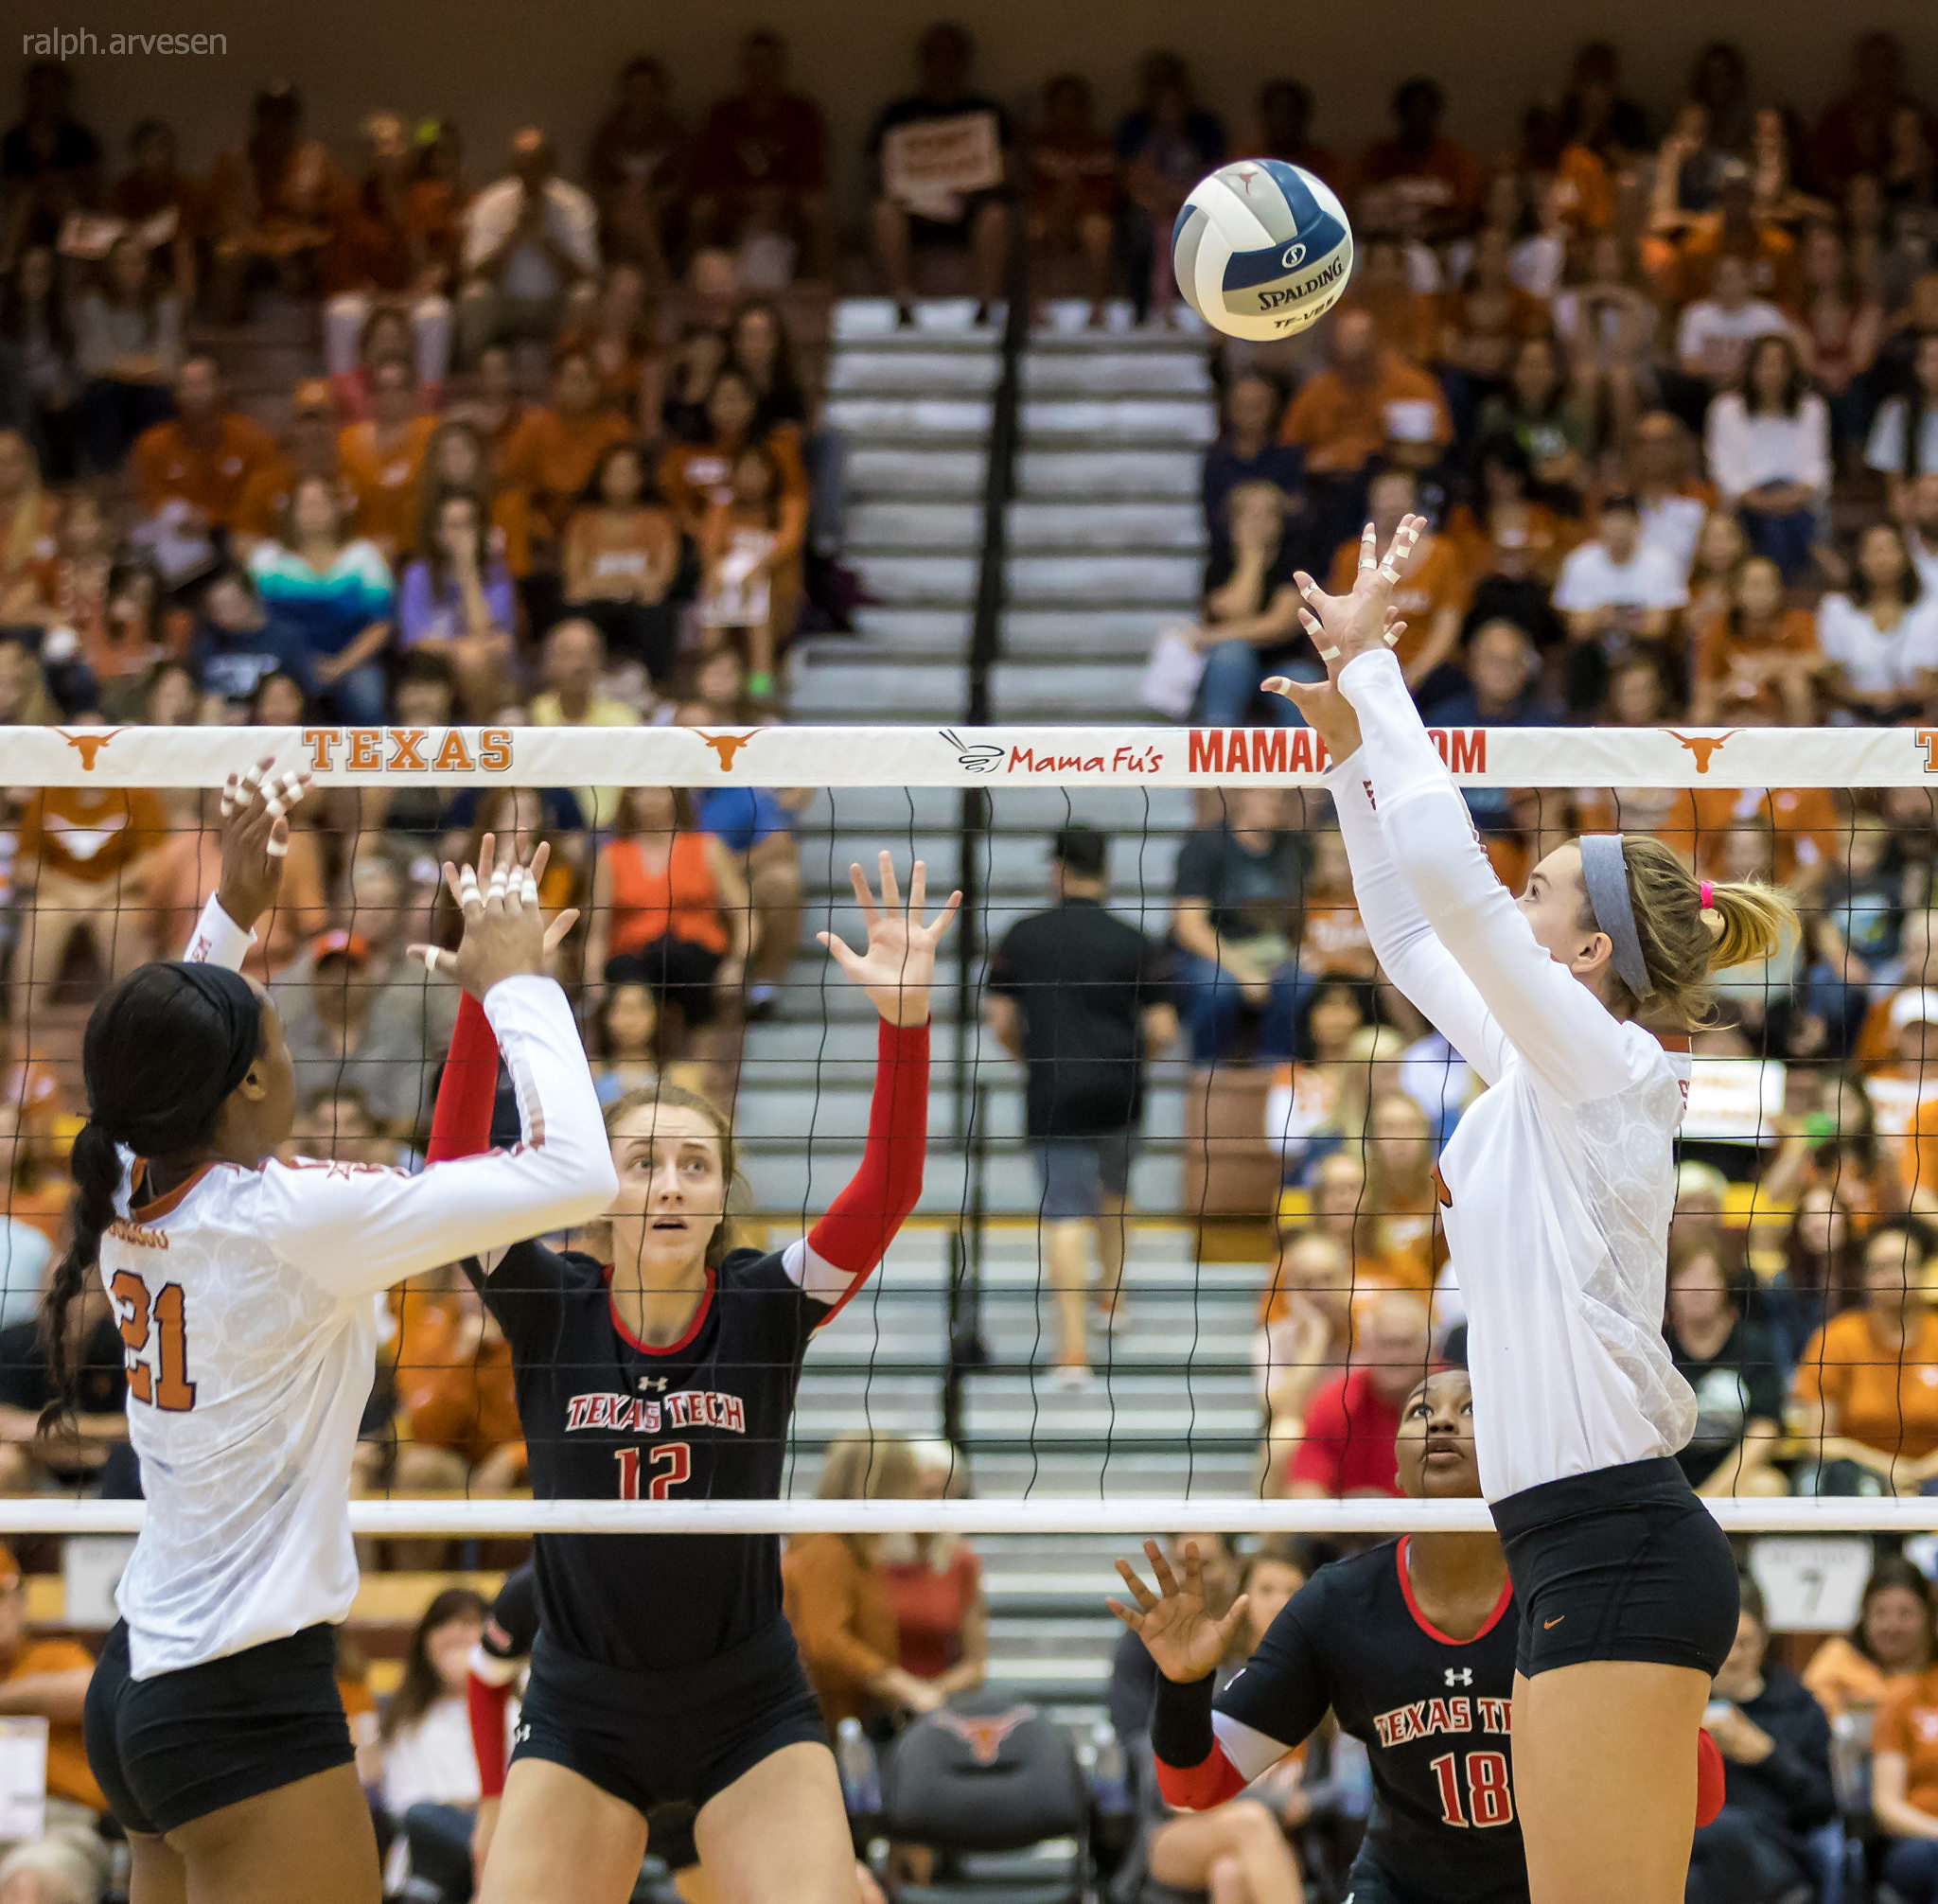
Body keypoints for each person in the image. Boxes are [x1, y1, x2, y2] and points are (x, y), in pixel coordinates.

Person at [1271, 515, 1792, 1904]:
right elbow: (1406, 930)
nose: (1516, 893)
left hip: (1621, 1544)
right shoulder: (1539, 1071)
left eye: (1540, 889)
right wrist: (1344, 757)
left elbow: (1448, 877)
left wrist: (1379, 671)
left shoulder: (1610, 1064)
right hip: (1574, 1547)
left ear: (1588, 951)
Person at [53, 780, 615, 1904]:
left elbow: (156, 1060)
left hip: (142, 1684)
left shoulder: (121, 1172)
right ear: (254, 1077)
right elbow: (576, 1173)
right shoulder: (288, 1219)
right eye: (272, 1030)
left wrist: (233, 907)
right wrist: (518, 985)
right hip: (237, 1702)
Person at [424, 849, 953, 1904]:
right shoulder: (549, 1302)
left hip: (745, 1705)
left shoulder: (764, 1305)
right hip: (582, 1707)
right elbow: (450, 1180)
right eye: (640, 1162)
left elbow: (889, 1186)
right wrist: (486, 1000)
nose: (667, 1184)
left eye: (694, 1164)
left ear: (720, 1198)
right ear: (593, 1186)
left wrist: (903, 1022)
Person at [1115, 1369, 1528, 1904]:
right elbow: (1192, 1788)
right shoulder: (1339, 1604)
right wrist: (1184, 1685)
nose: (1443, 1419)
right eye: (1420, 1412)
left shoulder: (1569, 1589)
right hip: (1400, 1888)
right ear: (1396, 1468)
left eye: (1472, 1409)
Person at [984, 826, 1177, 1383]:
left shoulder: (1023, 936)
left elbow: (999, 1022)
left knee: (1065, 1213)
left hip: (1052, 1090)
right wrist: (1133, 1064)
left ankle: (1073, 1353)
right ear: (1105, 871)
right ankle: (1111, 1303)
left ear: (1056, 869)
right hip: (1122, 1089)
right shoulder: (1135, 940)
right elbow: (1162, 1028)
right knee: (1116, 1194)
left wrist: (1031, 1059)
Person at [1688, 1578, 1836, 1904]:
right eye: (1725, 1643)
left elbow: (1823, 1805)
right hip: (1695, 1844)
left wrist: (1766, 1754)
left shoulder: (1798, 1706)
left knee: (1726, 1837)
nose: (1734, 1656)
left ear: (1764, 1641)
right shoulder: (1680, 1704)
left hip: (1776, 1845)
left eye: (1745, 1643)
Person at [868, 23, 1013, 324]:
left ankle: (985, 306)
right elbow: (878, 171)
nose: (943, 65)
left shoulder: (987, 112)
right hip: (915, 212)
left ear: (964, 62)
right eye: (935, 56)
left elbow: (1006, 170)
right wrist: (920, 194)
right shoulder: (899, 114)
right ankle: (902, 303)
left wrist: (968, 190)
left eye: (952, 57)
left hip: (970, 209)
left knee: (997, 215)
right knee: (883, 212)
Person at [1790, 1218, 1938, 1493]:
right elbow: (1818, 1439)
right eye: (1882, 1268)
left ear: (1923, 1271)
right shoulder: (1836, 1338)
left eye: (1905, 1265)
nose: (1895, 1276)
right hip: (1859, 1474)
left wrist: (1919, 1472)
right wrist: (1889, 1468)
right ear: (1866, 1277)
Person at [1169, 788, 1305, 1066]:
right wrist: (1244, 971)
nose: (1275, 802)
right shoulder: (1205, 846)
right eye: (1267, 794)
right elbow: (1189, 926)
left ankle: (1276, 1069)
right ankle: (1208, 1072)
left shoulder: (1295, 849)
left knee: (1304, 982)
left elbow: (1309, 913)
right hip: (1217, 949)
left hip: (1274, 951)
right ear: (1244, 793)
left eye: (1281, 796)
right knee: (1215, 986)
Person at [245, 474, 394, 726]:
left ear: (338, 510)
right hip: (280, 662)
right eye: (305, 504)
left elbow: (381, 623)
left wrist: (341, 664)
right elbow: (251, 618)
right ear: (290, 512)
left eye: (321, 504)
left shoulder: (363, 558)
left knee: (368, 694)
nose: (313, 511)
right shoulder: (267, 560)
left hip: (350, 661)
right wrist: (296, 663)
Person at [692, 31, 832, 281]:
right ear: (745, 68)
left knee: (817, 208)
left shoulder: (802, 113)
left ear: (781, 67)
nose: (762, 71)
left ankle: (816, 287)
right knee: (701, 209)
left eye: (769, 63)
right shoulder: (724, 114)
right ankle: (702, 281)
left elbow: (812, 175)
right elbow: (710, 174)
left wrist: (779, 196)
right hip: (733, 203)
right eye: (755, 63)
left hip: (788, 203)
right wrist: (744, 198)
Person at [379, 1588, 488, 1893]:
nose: (457, 1633)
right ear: (425, 1641)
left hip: (500, 1839)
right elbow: (403, 1805)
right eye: (444, 1625)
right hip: (429, 1851)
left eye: (468, 1623)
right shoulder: (405, 1718)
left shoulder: (517, 1706)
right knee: (424, 1820)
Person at [456, 126, 597, 360]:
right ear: (511, 166)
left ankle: (575, 374)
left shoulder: (574, 205)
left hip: (554, 304)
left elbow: (588, 275)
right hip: (506, 304)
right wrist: (514, 238)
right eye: (521, 168)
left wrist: (544, 240)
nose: (528, 175)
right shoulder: (491, 203)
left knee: (586, 295)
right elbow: (472, 273)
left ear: (550, 166)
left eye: (535, 167)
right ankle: (476, 371)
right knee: (474, 295)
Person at [1663, 1234, 1786, 1498]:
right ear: (1669, 1287)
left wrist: (1710, 1494)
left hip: (1733, 1476)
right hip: (1667, 1479)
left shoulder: (1753, 1344)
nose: (1697, 1288)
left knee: (1768, 1487)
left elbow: (1765, 1428)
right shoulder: (1654, 1348)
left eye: (1708, 1277)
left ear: (1725, 1286)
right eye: (1687, 1276)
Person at [1279, 1293, 1432, 1499]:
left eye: (1405, 1344)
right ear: (1367, 1347)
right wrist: (1351, 1513)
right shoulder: (1338, 1400)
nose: (1395, 1356)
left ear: (1427, 1347)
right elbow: (1305, 1490)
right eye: (1385, 1344)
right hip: (1350, 1526)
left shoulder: (1452, 1398)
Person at [131, 354, 277, 538]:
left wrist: (211, 518)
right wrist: (178, 514)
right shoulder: (153, 443)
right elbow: (152, 499)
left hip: (236, 534)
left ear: (222, 387)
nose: (193, 394)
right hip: (178, 538)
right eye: (186, 385)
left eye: (200, 384)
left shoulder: (252, 439)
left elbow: (262, 500)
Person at [74, 233, 180, 474]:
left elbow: (168, 363)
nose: (129, 269)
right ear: (110, 267)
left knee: (156, 396)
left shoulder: (165, 301)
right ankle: (106, 477)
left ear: (148, 265)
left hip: (149, 390)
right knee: (103, 393)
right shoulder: (94, 300)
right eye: (122, 262)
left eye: (136, 261)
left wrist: (120, 367)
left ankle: (158, 474)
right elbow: (95, 361)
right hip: (110, 389)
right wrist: (144, 367)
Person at [1815, 520, 1938, 724]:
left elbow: (1929, 682)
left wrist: (1897, 697)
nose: (1882, 559)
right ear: (1860, 558)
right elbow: (1834, 680)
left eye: (1889, 550)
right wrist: (1869, 698)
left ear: (1905, 558)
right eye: (1874, 551)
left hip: (1912, 717)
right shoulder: (1837, 608)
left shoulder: (1929, 612)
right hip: (1854, 716)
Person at [1803, 1558, 1935, 1723]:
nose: (1892, 1627)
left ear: (1929, 1617)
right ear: (1864, 1618)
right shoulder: (1838, 1663)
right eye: (1880, 1613)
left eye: (1905, 1613)